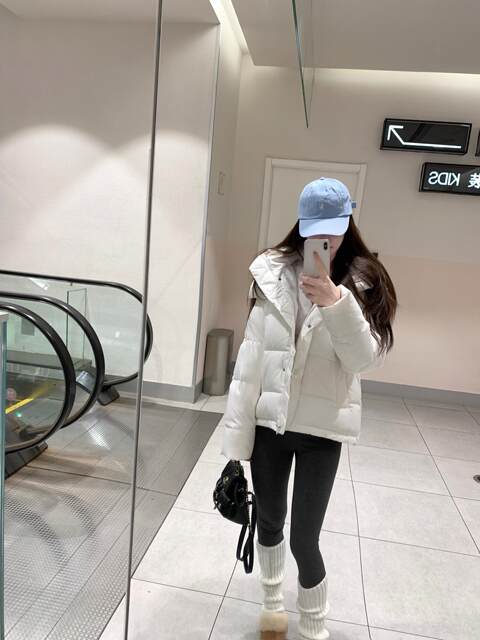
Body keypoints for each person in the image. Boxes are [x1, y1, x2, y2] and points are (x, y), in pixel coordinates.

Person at [219, 177, 397, 640]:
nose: (326, 242)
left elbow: (363, 360)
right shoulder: (271, 273)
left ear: (348, 224)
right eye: (316, 231)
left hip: (322, 429)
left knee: (304, 537)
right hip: (270, 424)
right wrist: (236, 437)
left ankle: (314, 627)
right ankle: (273, 609)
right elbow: (251, 358)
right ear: (300, 225)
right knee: (269, 521)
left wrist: (337, 304)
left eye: (334, 231)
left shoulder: (363, 280)